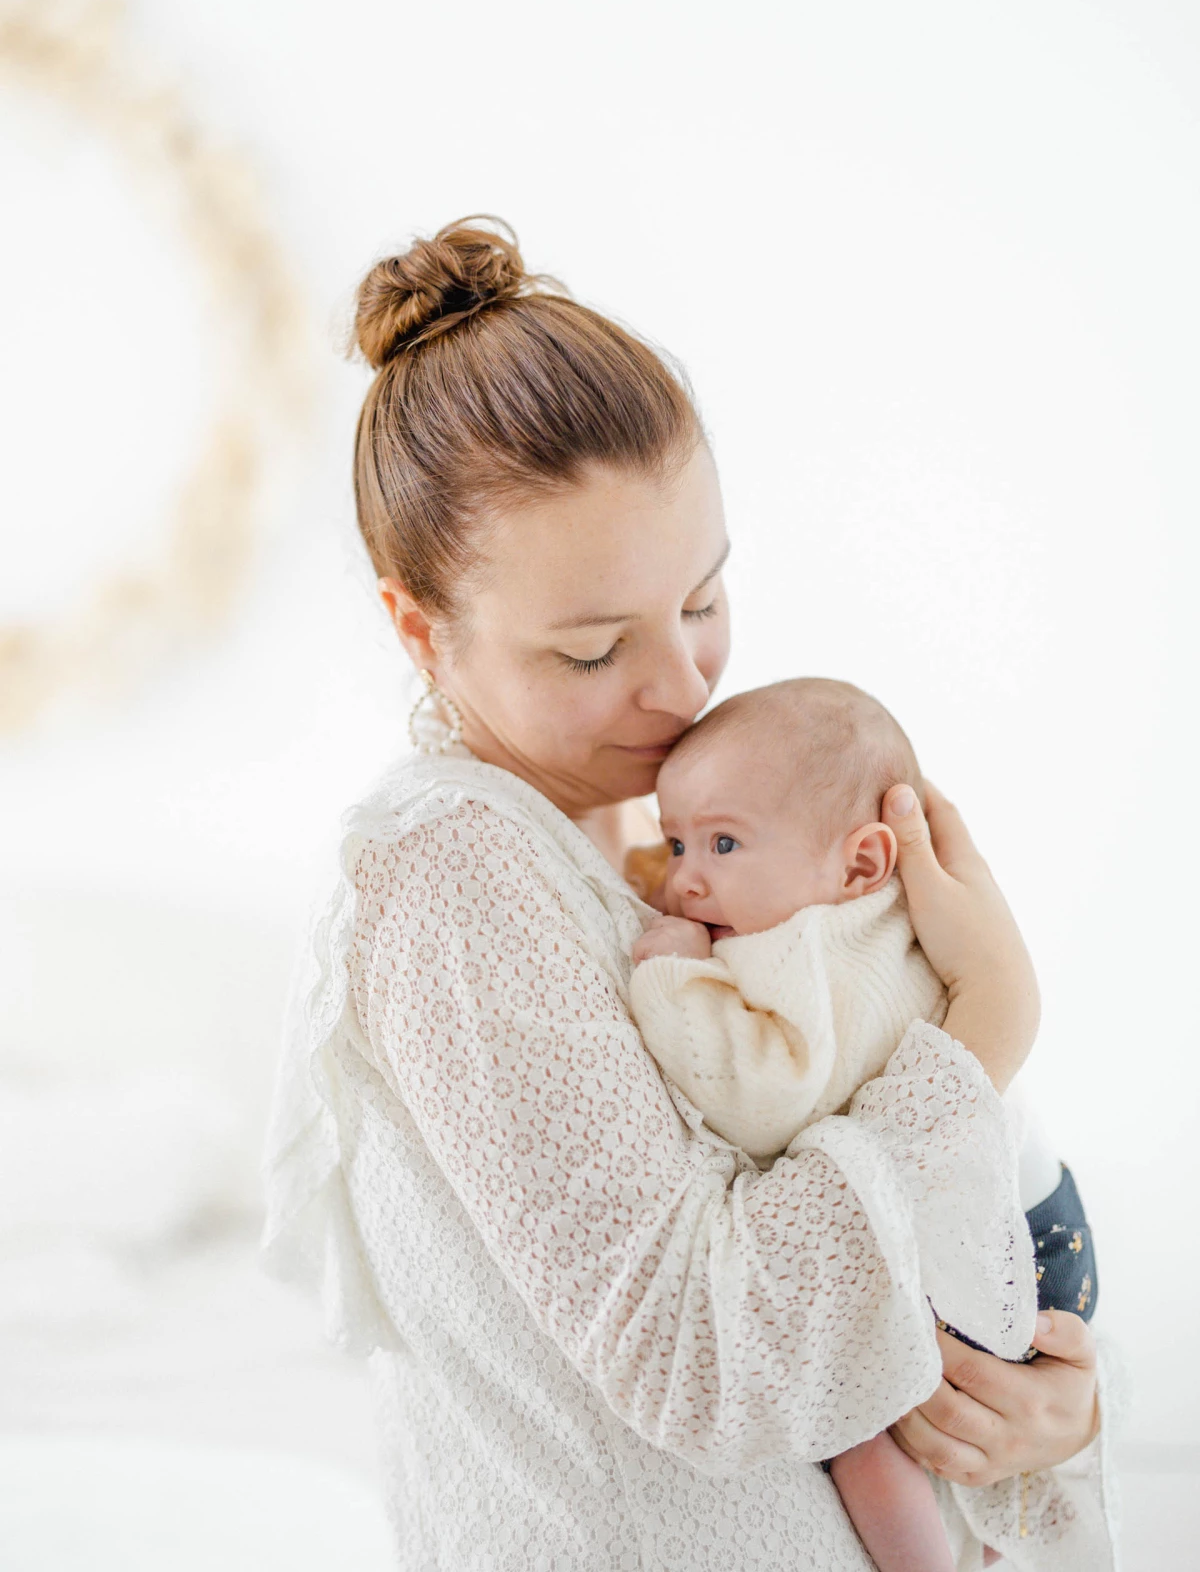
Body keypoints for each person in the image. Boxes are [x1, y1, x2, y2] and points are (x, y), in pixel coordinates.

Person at [261, 218, 1125, 1571]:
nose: (683, 685)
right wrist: (990, 1022)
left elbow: (878, 1179)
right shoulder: (455, 874)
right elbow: (702, 1360)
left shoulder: (695, 844)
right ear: (419, 632)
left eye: (705, 598)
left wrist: (1039, 1403)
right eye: (595, 648)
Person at [626, 676, 1098, 1569]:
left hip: (998, 1237)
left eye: (724, 842)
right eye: (677, 840)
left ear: (862, 863)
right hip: (1038, 1227)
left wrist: (670, 974)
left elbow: (760, 1094)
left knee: (858, 1415)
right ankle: (984, 1545)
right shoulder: (874, 921)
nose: (684, 878)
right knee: (969, 1437)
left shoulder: (808, 948)